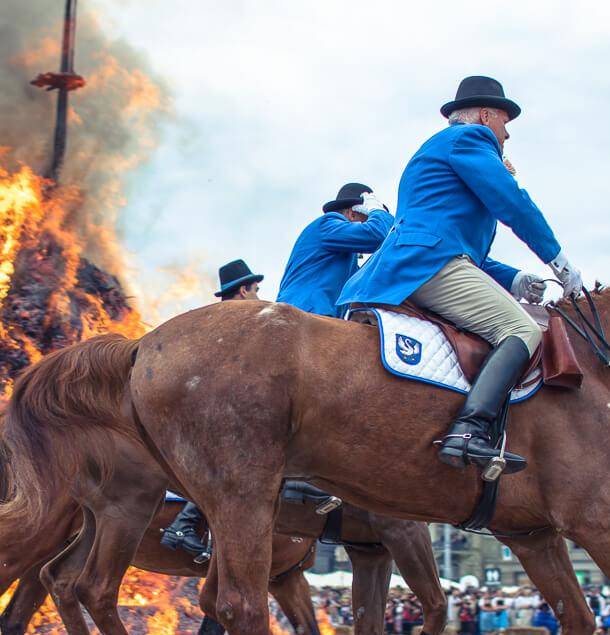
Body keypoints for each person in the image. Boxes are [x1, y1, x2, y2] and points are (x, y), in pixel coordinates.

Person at [337, 76, 583, 475]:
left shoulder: (444, 152)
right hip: (426, 266)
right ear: (486, 115)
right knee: (522, 331)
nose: (506, 135)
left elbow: (460, 246)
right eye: (505, 124)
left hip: (417, 262)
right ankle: (469, 430)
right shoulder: (470, 139)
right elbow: (512, 201)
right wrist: (557, 258)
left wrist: (517, 279)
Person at [160, 260, 341, 561]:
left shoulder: (214, 318)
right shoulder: (242, 319)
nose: (259, 296)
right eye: (256, 290)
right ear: (243, 290)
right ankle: (183, 526)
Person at [276, 183, 394, 318]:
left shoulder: (347, 259)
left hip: (315, 318)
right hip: (304, 314)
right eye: (369, 219)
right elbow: (378, 234)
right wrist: (377, 211)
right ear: (352, 214)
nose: (371, 222)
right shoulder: (327, 224)